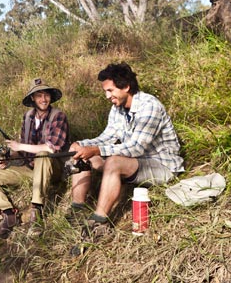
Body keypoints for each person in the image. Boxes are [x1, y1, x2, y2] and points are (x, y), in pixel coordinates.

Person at [68, 62, 183, 252]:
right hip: (133, 163)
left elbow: (136, 148)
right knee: (82, 153)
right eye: (106, 91)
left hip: (161, 165)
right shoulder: (118, 108)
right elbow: (107, 137)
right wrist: (83, 145)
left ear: (126, 87)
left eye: (110, 90)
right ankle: (77, 208)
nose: (107, 96)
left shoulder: (149, 106)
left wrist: (97, 150)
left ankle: (99, 222)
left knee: (112, 161)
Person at [0, 78, 69, 241]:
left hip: (53, 170)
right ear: (33, 99)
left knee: (43, 154)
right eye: (39, 96)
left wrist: (19, 146)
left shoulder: (58, 116)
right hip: (30, 170)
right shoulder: (27, 118)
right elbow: (24, 150)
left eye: (46, 95)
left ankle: (36, 212)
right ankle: (7, 216)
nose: (44, 99)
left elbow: (51, 148)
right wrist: (9, 156)